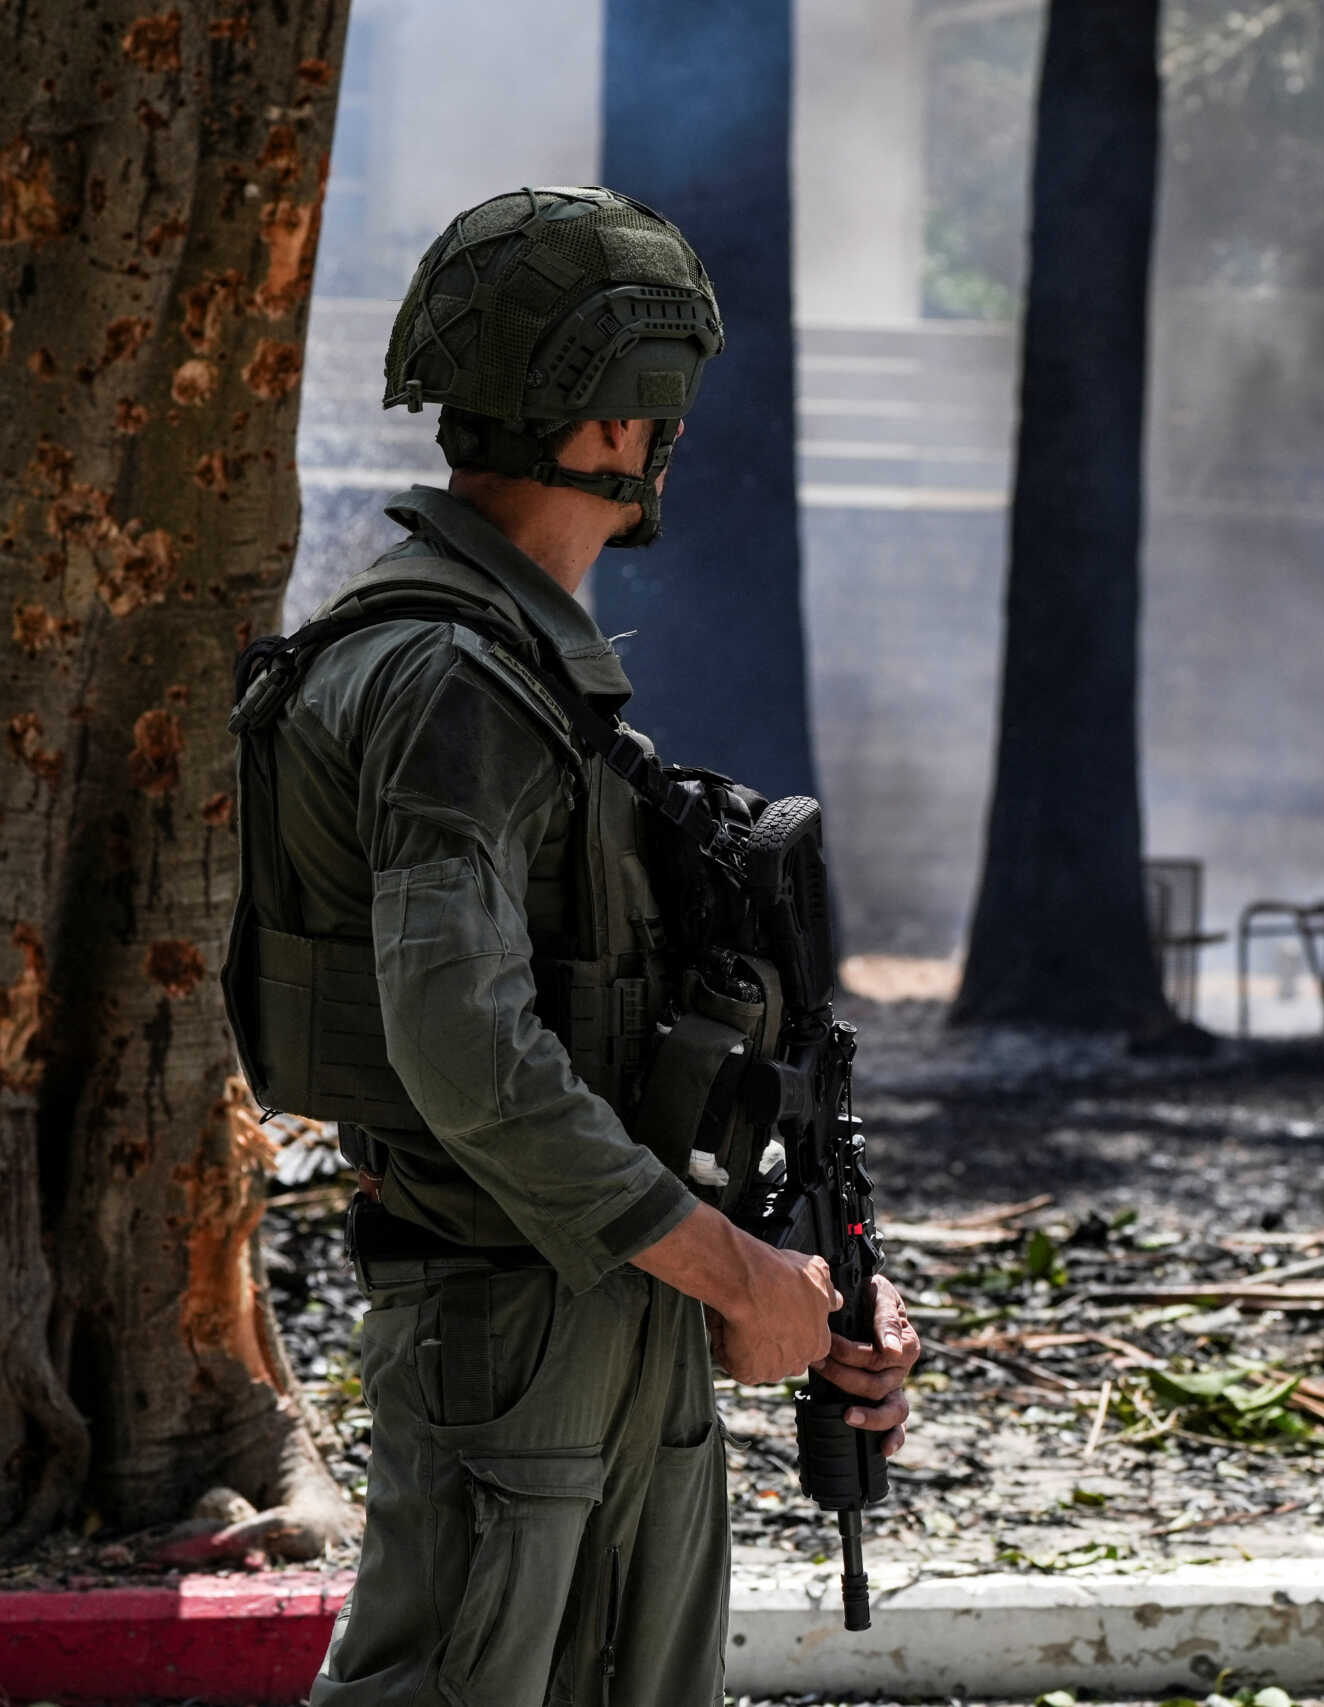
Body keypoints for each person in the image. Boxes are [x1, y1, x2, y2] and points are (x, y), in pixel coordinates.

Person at [220, 186, 918, 1707]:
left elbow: (613, 1048)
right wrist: (737, 1271)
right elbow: (467, 1052)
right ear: (620, 428)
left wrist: (800, 1278)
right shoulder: (453, 683)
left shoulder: (532, 681)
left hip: (616, 1303)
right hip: (514, 1320)